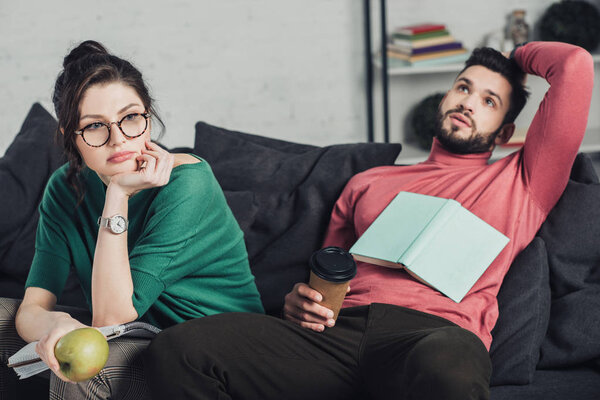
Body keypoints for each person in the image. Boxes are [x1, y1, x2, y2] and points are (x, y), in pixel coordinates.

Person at [143, 41, 594, 400]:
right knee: (177, 350)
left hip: (433, 336)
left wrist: (510, 57)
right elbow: (329, 273)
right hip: (336, 335)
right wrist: (300, 301)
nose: (468, 102)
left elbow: (573, 65)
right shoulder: (369, 181)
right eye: (463, 87)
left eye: (489, 99)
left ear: (503, 133)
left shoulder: (523, 183)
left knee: (449, 368)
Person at [2, 40, 264, 399]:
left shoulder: (188, 182)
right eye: (95, 126)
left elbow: (111, 317)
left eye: (130, 118)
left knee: (80, 374)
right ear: (70, 138)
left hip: (214, 353)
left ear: (147, 114)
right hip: (140, 337)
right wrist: (56, 323)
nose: (118, 139)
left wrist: (118, 194)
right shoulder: (64, 189)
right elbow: (32, 308)